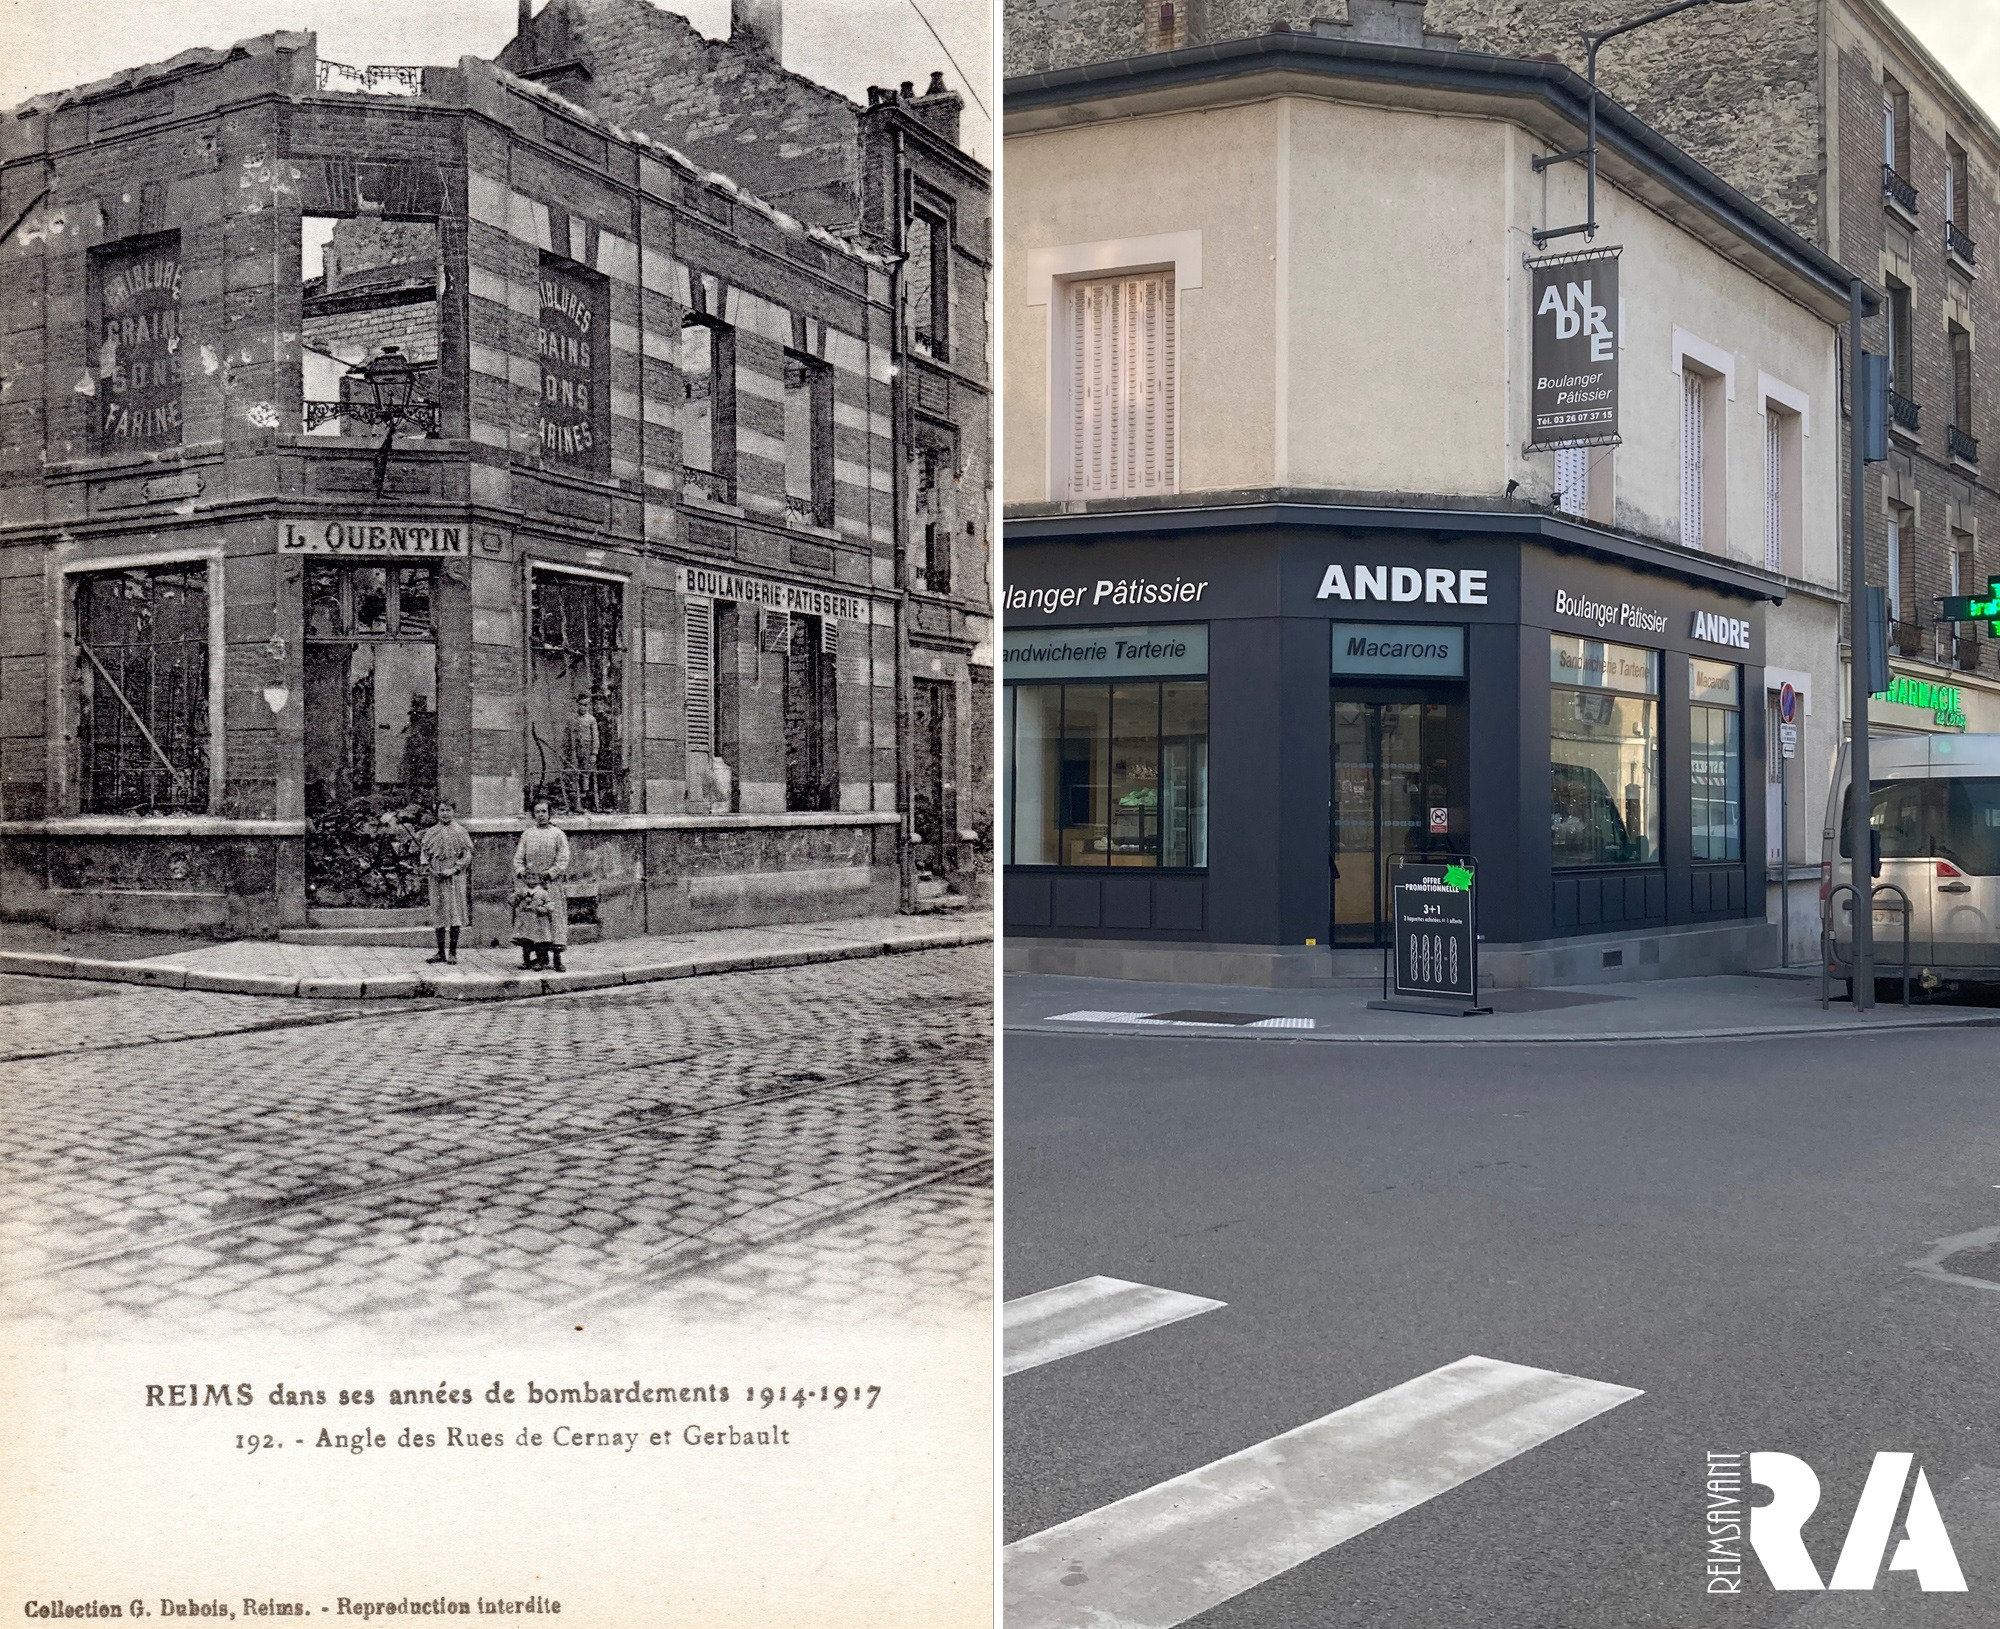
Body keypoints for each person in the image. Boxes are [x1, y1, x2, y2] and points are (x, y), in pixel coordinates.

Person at [512, 798, 571, 971]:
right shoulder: (528, 834)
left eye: (544, 811)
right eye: (537, 812)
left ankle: (557, 960)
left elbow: (563, 859)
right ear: (533, 815)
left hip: (550, 884)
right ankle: (538, 957)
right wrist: (521, 870)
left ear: (549, 814)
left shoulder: (558, 834)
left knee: (553, 919)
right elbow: (519, 857)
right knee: (533, 919)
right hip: (531, 884)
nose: (540, 815)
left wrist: (550, 873)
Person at [417, 798, 474, 965]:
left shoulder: (461, 831)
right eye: (442, 810)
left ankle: (453, 953)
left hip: (454, 877)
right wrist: (430, 868)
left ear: (453, 812)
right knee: (439, 911)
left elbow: (467, 854)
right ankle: (440, 952)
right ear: (437, 812)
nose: (445, 813)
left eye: (448, 810)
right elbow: (424, 852)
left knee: (454, 911)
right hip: (436, 876)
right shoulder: (431, 832)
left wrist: (454, 869)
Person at [563, 693, 601, 811]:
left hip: (587, 750)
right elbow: (566, 737)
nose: (583, 708)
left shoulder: (591, 720)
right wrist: (565, 752)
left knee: (586, 774)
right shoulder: (571, 719)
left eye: (585, 705)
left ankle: (586, 803)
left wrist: (594, 753)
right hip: (574, 750)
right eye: (580, 705)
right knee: (574, 774)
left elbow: (596, 737)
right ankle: (575, 804)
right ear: (577, 704)